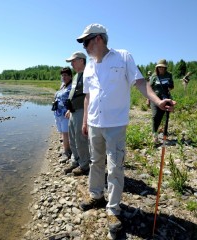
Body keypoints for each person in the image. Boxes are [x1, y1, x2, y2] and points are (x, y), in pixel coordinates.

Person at [76, 23, 176, 233]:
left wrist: (158, 102)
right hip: (94, 123)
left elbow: (140, 83)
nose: (84, 47)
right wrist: (85, 121)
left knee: (115, 166)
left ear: (98, 39)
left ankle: (113, 209)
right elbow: (87, 96)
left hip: (115, 124)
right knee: (96, 161)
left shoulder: (123, 57)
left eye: (86, 42)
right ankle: (96, 195)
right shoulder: (89, 67)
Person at [63, 51, 91, 176]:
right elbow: (74, 94)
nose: (72, 64)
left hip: (82, 111)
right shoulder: (76, 76)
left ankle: (84, 165)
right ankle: (75, 162)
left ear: (81, 60)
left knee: (81, 140)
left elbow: (89, 96)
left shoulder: (89, 74)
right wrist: (69, 109)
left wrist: (87, 116)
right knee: (72, 138)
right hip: (73, 112)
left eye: (73, 61)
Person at [149, 59, 174, 143]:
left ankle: (165, 133)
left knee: (166, 116)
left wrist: (168, 85)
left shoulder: (169, 75)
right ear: (157, 67)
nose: (161, 69)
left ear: (165, 68)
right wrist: (148, 99)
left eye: (163, 67)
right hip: (155, 98)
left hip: (165, 98)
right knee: (155, 116)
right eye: (159, 67)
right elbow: (149, 88)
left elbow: (172, 86)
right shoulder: (154, 76)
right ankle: (154, 135)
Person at [53, 67, 73, 162]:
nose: (64, 77)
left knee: (65, 133)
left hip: (66, 113)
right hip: (58, 112)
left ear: (70, 76)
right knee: (61, 131)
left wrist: (69, 110)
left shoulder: (72, 86)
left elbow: (73, 99)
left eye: (66, 75)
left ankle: (66, 152)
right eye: (62, 75)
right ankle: (66, 148)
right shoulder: (63, 85)